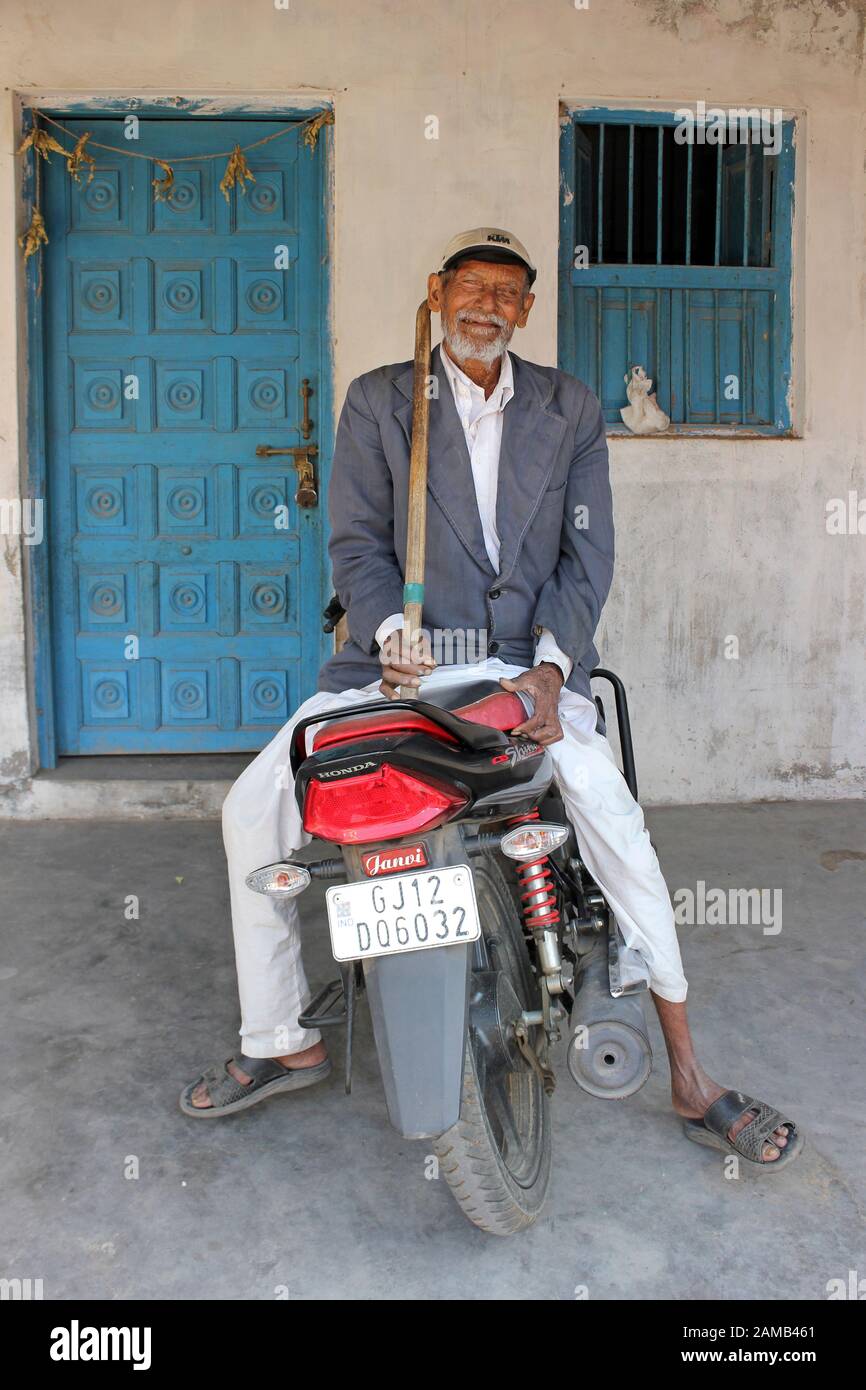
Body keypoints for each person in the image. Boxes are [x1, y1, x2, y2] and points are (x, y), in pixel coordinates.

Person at [181, 228, 801, 1171]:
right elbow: (356, 544)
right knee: (249, 812)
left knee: (615, 824)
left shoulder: (571, 407)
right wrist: (392, 635)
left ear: (526, 310)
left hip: (521, 671)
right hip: (396, 670)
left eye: (507, 293)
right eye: (471, 287)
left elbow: (586, 559)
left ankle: (687, 1069)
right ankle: (282, 1037)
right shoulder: (380, 401)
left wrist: (554, 667)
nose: (487, 306)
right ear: (438, 292)